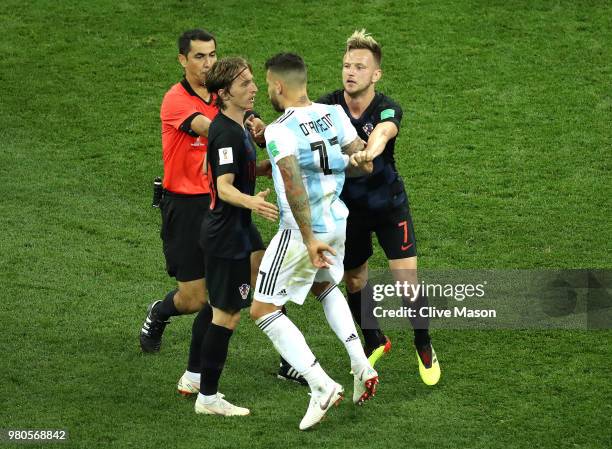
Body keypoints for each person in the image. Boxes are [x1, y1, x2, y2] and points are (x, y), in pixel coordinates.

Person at [250, 53, 378, 431]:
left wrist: (306, 239)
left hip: (301, 231)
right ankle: (360, 362)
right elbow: (366, 161)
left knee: (263, 309)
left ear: (277, 86)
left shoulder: (280, 130)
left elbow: (291, 183)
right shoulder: (334, 113)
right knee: (325, 284)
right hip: (337, 219)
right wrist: (350, 160)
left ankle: (320, 384)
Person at [317, 29, 441, 385]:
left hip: (388, 207)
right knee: (354, 279)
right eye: (346, 65)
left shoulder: (387, 106)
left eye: (360, 66)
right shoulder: (327, 108)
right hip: (348, 212)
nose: (350, 72)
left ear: (376, 75)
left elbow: (384, 132)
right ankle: (374, 337)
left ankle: (423, 342)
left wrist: (367, 153)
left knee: (407, 283)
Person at [194, 56, 278, 416]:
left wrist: (270, 167)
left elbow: (242, 170)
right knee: (226, 314)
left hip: (240, 229)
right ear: (225, 93)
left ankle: (290, 358)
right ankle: (207, 397)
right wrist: (252, 203)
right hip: (227, 234)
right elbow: (224, 187)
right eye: (245, 84)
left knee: (268, 281)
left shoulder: (238, 124)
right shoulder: (225, 132)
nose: (254, 88)